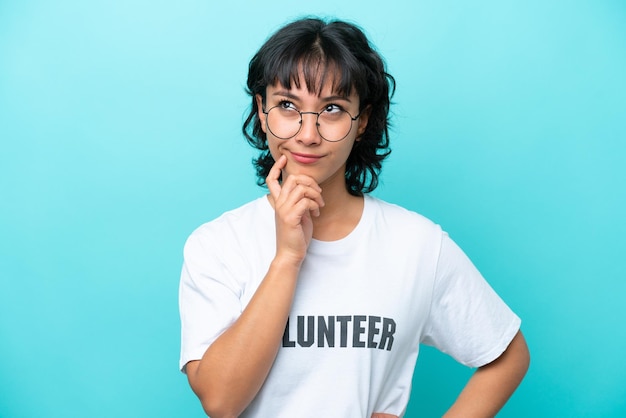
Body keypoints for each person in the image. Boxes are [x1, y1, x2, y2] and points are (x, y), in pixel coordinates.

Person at [179, 17, 530, 418]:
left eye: (332, 109)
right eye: (288, 106)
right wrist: (287, 259)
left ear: (362, 121)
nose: (307, 134)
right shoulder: (218, 244)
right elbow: (220, 402)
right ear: (262, 111)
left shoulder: (416, 244)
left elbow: (508, 354)